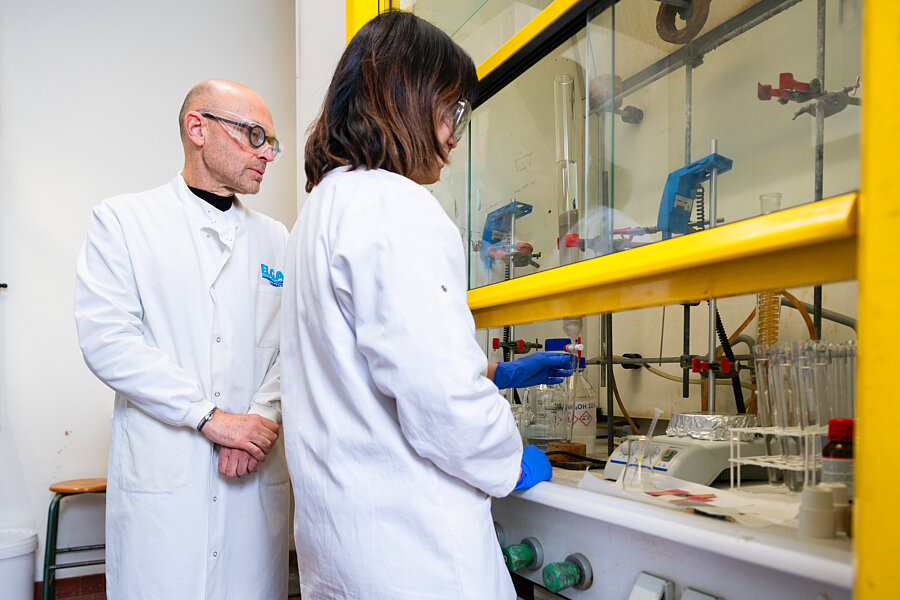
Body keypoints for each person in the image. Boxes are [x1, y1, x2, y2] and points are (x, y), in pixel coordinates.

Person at [281, 12, 572, 600]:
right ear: (404, 98)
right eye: (450, 111)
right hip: (415, 553)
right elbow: (441, 398)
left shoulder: (320, 210)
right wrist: (507, 457)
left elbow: (363, 370)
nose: (453, 137)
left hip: (346, 545)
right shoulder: (396, 207)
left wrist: (490, 372)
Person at [74, 80, 290, 599]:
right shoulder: (124, 221)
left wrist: (259, 418)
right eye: (255, 135)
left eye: (272, 144)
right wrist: (211, 419)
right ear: (198, 128)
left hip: (253, 474)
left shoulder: (277, 239)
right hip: (167, 474)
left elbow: (295, 345)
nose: (266, 153)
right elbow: (108, 340)